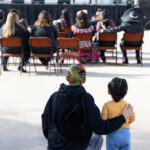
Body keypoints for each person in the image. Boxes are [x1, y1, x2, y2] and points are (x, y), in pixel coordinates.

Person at [42, 64, 134, 150]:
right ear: (84, 80)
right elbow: (100, 128)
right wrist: (122, 117)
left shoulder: (54, 97)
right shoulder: (86, 99)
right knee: (98, 137)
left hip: (54, 146)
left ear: (67, 78)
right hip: (77, 146)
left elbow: (45, 119)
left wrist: (53, 139)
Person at [101, 77, 135, 150]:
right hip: (125, 134)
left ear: (109, 91)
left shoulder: (107, 105)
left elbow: (103, 120)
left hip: (112, 134)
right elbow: (132, 119)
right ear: (125, 92)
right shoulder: (127, 105)